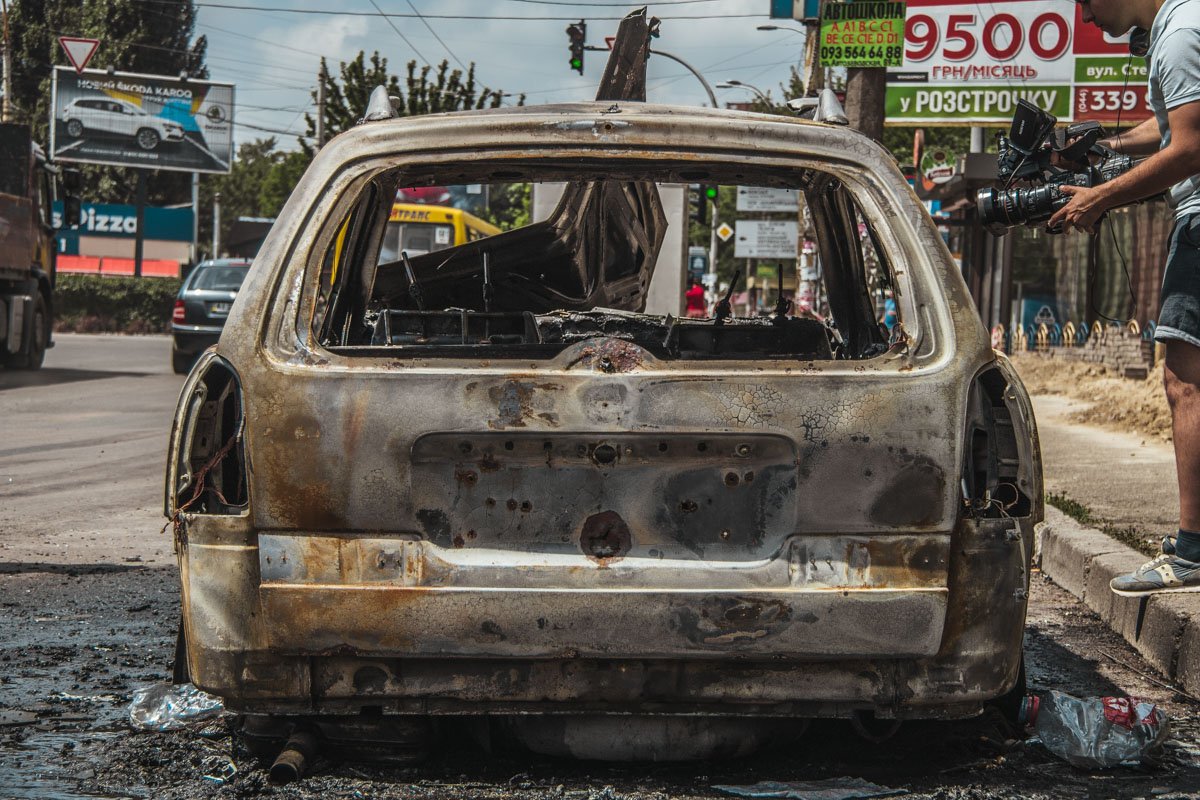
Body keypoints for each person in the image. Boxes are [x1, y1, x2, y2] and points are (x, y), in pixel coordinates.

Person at [1048, 0, 1200, 595]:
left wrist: (1101, 196)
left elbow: (1189, 147)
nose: (1085, 18)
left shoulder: (1181, 34)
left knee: (1185, 383)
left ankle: (1190, 554)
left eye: (1085, 1)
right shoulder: (1180, 27)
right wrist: (1104, 146)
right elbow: (1167, 129)